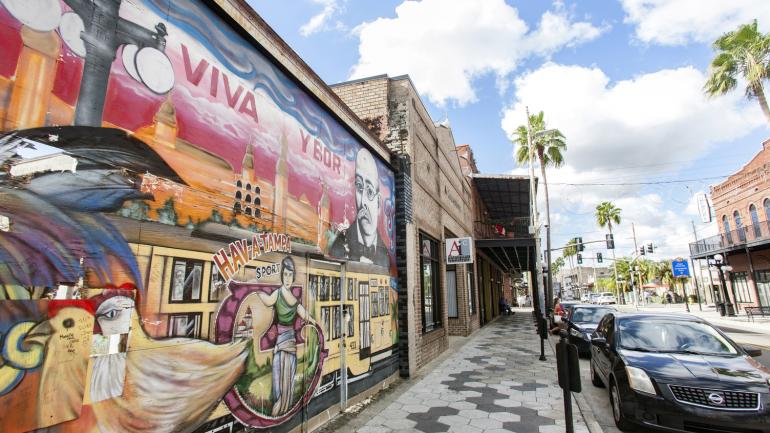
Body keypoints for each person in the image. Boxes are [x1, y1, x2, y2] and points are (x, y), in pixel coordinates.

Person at [257, 256, 316, 416]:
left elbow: (304, 314)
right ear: (282, 276)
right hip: (283, 341)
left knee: (286, 373)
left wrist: (315, 322)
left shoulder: (294, 301)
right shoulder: (278, 294)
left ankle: (283, 406)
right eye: (286, 275)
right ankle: (280, 405)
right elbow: (268, 301)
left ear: (293, 276)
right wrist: (256, 292)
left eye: (291, 275)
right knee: (278, 373)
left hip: (288, 341)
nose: (288, 278)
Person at [329, 148, 389, 268]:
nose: (363, 202)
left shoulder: (385, 255)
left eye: (370, 191)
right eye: (359, 187)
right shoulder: (339, 246)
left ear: (378, 202)